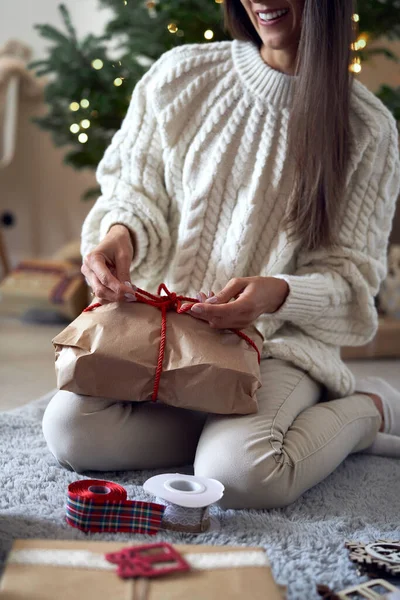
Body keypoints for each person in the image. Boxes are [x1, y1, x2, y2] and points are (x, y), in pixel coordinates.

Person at [43, 0, 400, 510]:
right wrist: (119, 236)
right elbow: (133, 191)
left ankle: (369, 410)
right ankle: (220, 424)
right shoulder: (180, 75)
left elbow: (353, 285)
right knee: (69, 432)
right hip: (174, 335)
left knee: (241, 478)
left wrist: (276, 295)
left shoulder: (368, 128)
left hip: (276, 345)